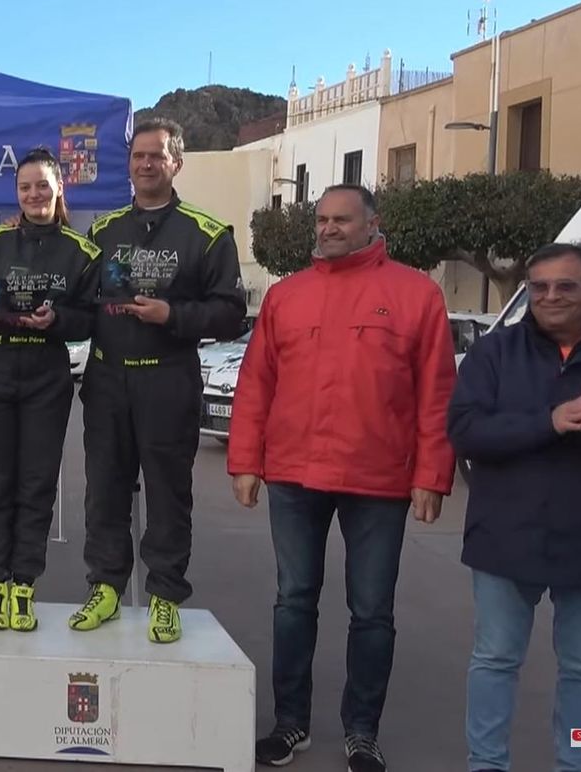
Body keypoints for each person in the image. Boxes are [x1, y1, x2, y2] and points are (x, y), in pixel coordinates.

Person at [227, 184, 457, 772]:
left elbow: (437, 395)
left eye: (341, 220)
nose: (328, 229)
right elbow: (256, 384)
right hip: (294, 476)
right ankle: (290, 724)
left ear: (373, 223)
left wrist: (432, 474)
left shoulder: (416, 294)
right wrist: (246, 461)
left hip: (378, 480)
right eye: (322, 219)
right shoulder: (286, 295)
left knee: (372, 611)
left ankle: (362, 732)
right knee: (293, 601)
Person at [449, 242, 581, 772]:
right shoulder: (494, 354)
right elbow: (466, 432)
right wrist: (551, 421)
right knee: (494, 662)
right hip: (506, 538)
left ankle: (580, 764)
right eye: (539, 287)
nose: (550, 296)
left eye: (565, 285)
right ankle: (486, 764)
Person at [71, 117, 246, 642]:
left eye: (157, 156)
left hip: (168, 380)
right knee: (104, 491)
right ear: (129, 164)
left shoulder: (209, 234)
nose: (146, 164)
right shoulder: (102, 232)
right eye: (138, 156)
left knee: (170, 495)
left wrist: (171, 315)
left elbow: (231, 313)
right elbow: (78, 304)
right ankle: (105, 586)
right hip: (107, 380)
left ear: (176, 163)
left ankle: (165, 595)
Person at [0, 150, 98, 631]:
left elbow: (91, 317)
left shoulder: (82, 252)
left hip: (45, 376)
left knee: (36, 485)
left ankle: (24, 586)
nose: (34, 195)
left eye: (42, 186)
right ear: (17, 193)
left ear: (59, 190)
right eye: (25, 187)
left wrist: (59, 321)